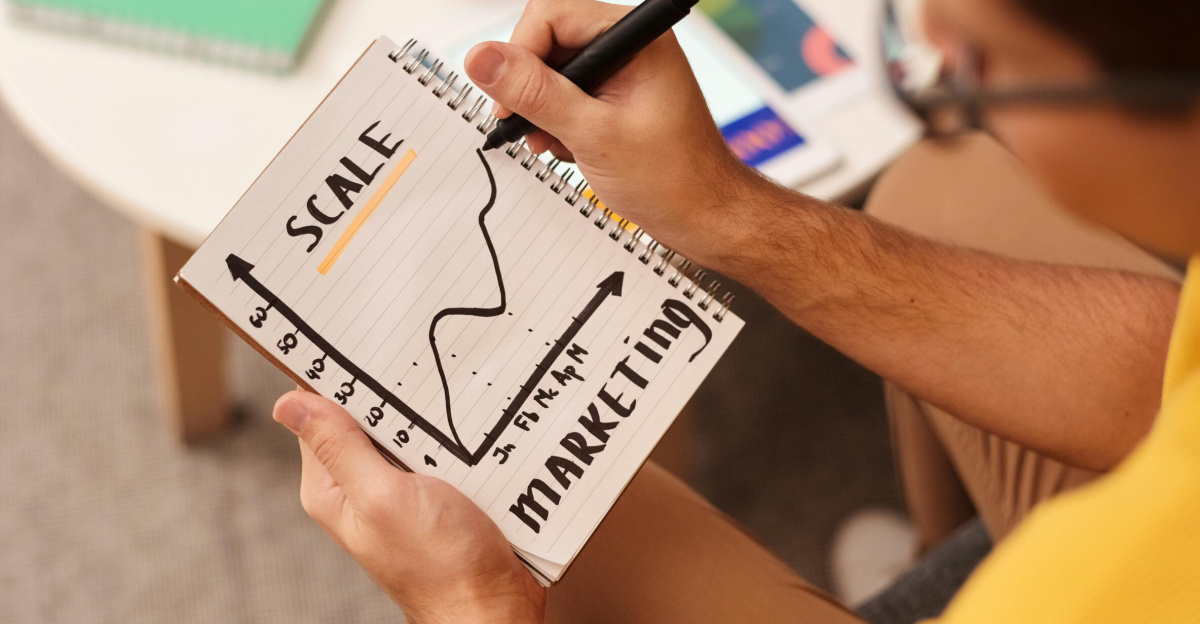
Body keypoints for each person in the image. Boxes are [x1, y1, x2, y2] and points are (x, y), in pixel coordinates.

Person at [267, 0, 1200, 620]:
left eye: (979, 61)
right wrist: (722, 209)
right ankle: (944, 552)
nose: (941, 74)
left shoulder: (1088, 590)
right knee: (939, 180)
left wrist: (471, 607)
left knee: (516, 521)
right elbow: (1171, 376)